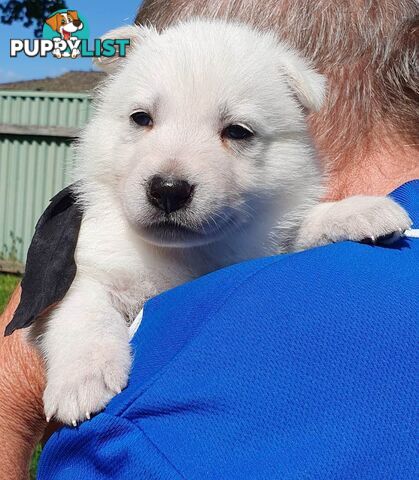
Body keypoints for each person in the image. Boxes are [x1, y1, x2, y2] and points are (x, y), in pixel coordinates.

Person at [0, 1, 417, 478]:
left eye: (235, 132)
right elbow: (87, 288)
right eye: (142, 119)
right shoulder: (100, 233)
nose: (171, 176)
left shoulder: (270, 221)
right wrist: (87, 341)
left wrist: (321, 222)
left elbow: (276, 238)